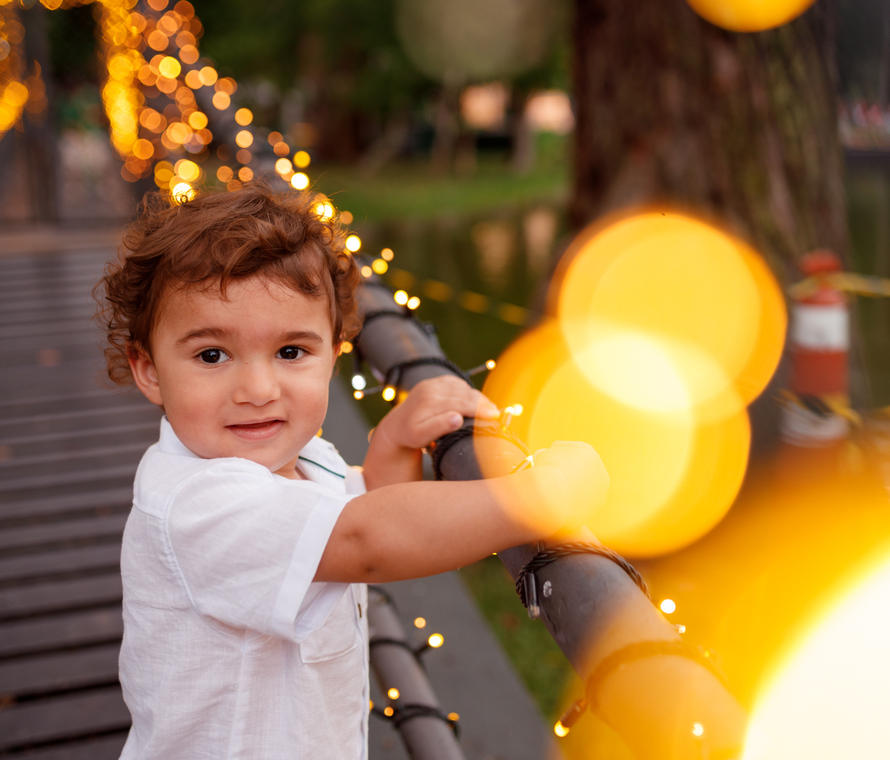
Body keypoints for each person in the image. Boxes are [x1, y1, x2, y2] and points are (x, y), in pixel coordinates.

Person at [96, 183, 608, 759]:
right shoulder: (198, 504)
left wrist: (393, 441)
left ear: (335, 352)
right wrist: (541, 495)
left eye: (291, 352)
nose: (258, 389)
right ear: (149, 369)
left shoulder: (302, 459)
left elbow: (360, 510)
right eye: (211, 355)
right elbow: (366, 539)